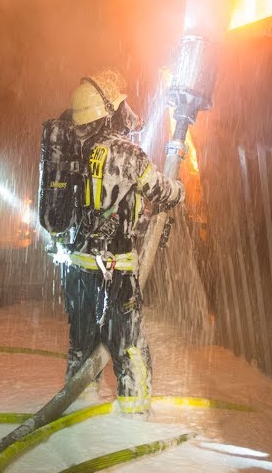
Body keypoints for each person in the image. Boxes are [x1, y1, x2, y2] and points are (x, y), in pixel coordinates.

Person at [54, 70, 184, 417]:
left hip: (77, 269)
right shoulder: (128, 153)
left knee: (82, 343)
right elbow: (162, 191)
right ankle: (134, 413)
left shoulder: (70, 150)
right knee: (129, 344)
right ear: (108, 110)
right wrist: (179, 188)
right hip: (116, 270)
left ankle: (78, 404)